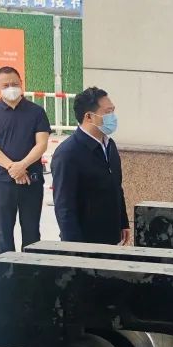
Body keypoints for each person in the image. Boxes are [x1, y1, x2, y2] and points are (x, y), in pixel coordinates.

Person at [0, 66, 51, 254]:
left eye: (15, 84)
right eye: (6, 85)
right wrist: (13, 168)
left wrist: (23, 165)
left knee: (32, 233)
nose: (11, 88)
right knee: (3, 234)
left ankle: (31, 270)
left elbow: (42, 143)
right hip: (1, 181)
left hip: (31, 180)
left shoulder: (37, 112)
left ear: (21, 83)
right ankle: (6, 272)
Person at [50, 87, 131, 245]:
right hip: (86, 242)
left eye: (113, 111)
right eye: (107, 112)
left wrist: (123, 222)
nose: (113, 117)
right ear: (88, 116)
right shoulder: (68, 154)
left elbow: (116, 187)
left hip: (112, 237)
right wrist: (74, 248)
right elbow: (64, 207)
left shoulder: (110, 145)